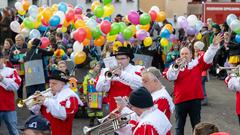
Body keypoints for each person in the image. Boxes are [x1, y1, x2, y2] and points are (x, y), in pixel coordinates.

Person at [164, 34, 223, 135]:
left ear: (191, 55)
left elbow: (207, 56)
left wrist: (213, 45)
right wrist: (176, 67)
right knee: (179, 127)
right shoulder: (175, 66)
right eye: (182, 54)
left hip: (194, 100)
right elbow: (170, 77)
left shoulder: (196, 64)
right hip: (180, 100)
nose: (184, 56)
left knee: (197, 127)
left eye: (186, 54)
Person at [28, 70, 83, 135]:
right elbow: (34, 111)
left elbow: (63, 115)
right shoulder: (47, 94)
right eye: (50, 83)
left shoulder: (71, 97)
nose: (51, 86)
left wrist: (45, 101)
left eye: (54, 83)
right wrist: (36, 102)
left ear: (63, 84)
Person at [96, 46, 143, 112]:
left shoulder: (136, 69)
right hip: (113, 108)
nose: (119, 61)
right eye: (117, 59)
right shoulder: (106, 70)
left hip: (131, 108)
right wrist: (106, 78)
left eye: (122, 58)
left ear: (129, 58)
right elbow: (99, 88)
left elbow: (140, 85)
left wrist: (121, 74)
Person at [141, 67, 174, 135]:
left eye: (145, 81)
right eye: (142, 81)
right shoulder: (153, 93)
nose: (142, 84)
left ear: (155, 81)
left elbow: (154, 120)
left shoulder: (162, 98)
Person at [0, 52, 21, 135]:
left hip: (8, 107)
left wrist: (3, 79)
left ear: (3, 59)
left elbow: (16, 86)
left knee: (14, 132)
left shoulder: (11, 71)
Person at [83, 60, 103, 126]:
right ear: (93, 66)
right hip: (91, 93)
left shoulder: (100, 75)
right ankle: (91, 120)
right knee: (91, 108)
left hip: (99, 93)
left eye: (99, 66)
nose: (98, 68)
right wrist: (85, 92)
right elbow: (85, 84)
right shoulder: (88, 76)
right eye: (97, 66)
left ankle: (99, 120)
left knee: (99, 107)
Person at [9, 34, 27, 100]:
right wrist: (18, 60)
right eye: (16, 40)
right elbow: (10, 59)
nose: (17, 42)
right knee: (20, 85)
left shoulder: (27, 46)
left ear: (23, 40)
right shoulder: (13, 48)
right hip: (19, 68)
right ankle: (20, 99)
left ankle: (29, 100)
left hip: (27, 68)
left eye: (19, 40)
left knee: (28, 85)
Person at [193, 41, 208, 105]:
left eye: (196, 47)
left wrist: (196, 56)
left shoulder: (201, 54)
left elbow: (198, 63)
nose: (194, 48)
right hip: (201, 73)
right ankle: (201, 99)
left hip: (202, 73)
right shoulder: (200, 53)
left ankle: (204, 100)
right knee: (201, 86)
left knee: (202, 87)